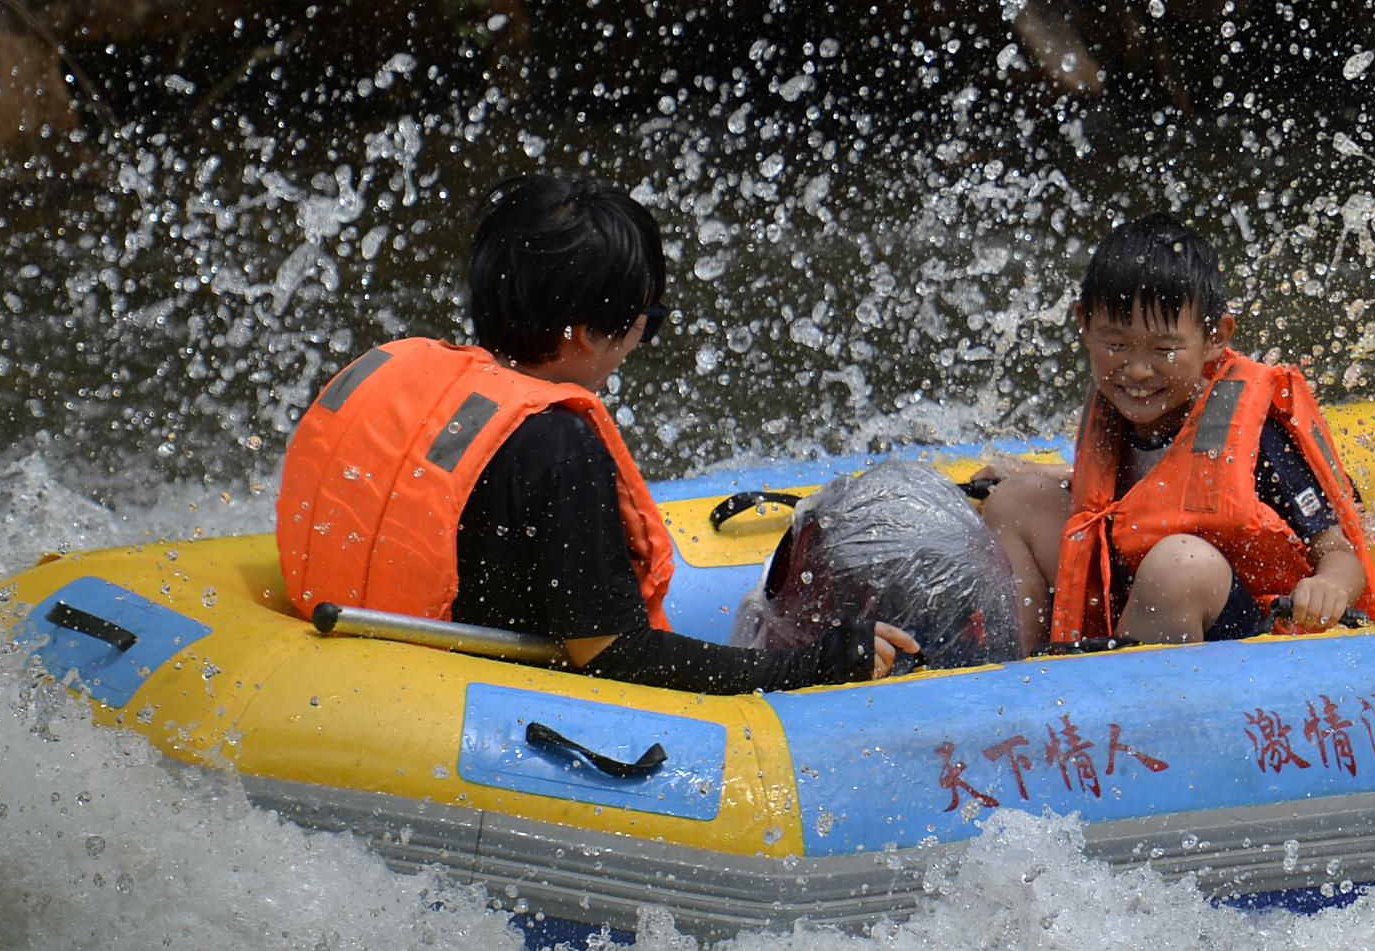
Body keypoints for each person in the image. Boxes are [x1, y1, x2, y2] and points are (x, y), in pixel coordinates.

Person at [275, 171, 918, 692]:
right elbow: (614, 656)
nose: (642, 335)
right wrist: (820, 665)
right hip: (469, 708)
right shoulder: (558, 446)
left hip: (347, 671)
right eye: (648, 319)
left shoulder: (400, 377)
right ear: (583, 333)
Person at [978, 213, 1375, 652]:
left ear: (1216, 336)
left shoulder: (1258, 438)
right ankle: (1020, 674)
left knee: (1180, 564)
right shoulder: (1121, 414)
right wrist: (1039, 473)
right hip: (1139, 609)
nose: (1136, 370)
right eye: (1115, 345)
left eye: (1164, 349)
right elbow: (1139, 493)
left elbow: (1337, 551)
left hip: (1245, 626)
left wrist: (1330, 587)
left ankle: (1136, 705)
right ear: (1084, 323)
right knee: (1018, 500)